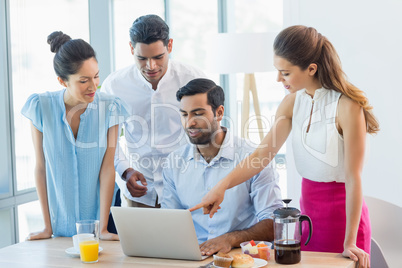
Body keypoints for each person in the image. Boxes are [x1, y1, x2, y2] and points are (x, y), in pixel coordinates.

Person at [190, 26, 379, 268]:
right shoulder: (291, 103)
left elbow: (354, 177)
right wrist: (222, 186)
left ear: (311, 69)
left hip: (344, 218)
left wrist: (350, 241)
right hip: (309, 215)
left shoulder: (348, 107)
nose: (279, 79)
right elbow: (261, 154)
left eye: (285, 73)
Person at [21, 31, 129, 240]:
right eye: (83, 80)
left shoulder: (110, 107)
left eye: (96, 76)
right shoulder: (40, 107)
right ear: (62, 81)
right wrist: (47, 227)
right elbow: (41, 168)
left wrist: (104, 228)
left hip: (104, 219)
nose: (93, 86)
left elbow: (107, 168)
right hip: (60, 223)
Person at [162, 78, 283, 256]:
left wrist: (230, 239)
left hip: (240, 257)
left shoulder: (254, 158)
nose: (189, 123)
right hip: (192, 257)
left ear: (219, 112)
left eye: (197, 114)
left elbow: (274, 223)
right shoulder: (174, 162)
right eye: (184, 114)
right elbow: (168, 221)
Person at [101, 14, 205, 208]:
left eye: (158, 57)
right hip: (139, 190)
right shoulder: (115, 86)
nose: (151, 66)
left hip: (186, 189)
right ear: (131, 49)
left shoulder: (193, 78)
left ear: (170, 46)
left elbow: (209, 132)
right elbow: (108, 139)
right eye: (142, 58)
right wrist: (125, 171)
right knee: (138, 240)